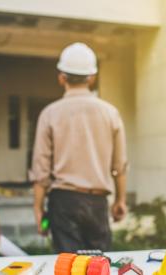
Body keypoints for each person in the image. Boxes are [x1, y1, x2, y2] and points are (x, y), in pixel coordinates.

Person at [31, 42, 128, 253]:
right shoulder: (110, 113)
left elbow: (41, 170)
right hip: (97, 203)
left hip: (63, 203)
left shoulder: (50, 113)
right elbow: (119, 166)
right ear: (92, 78)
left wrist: (38, 208)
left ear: (61, 77)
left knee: (69, 266)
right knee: (99, 265)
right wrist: (120, 200)